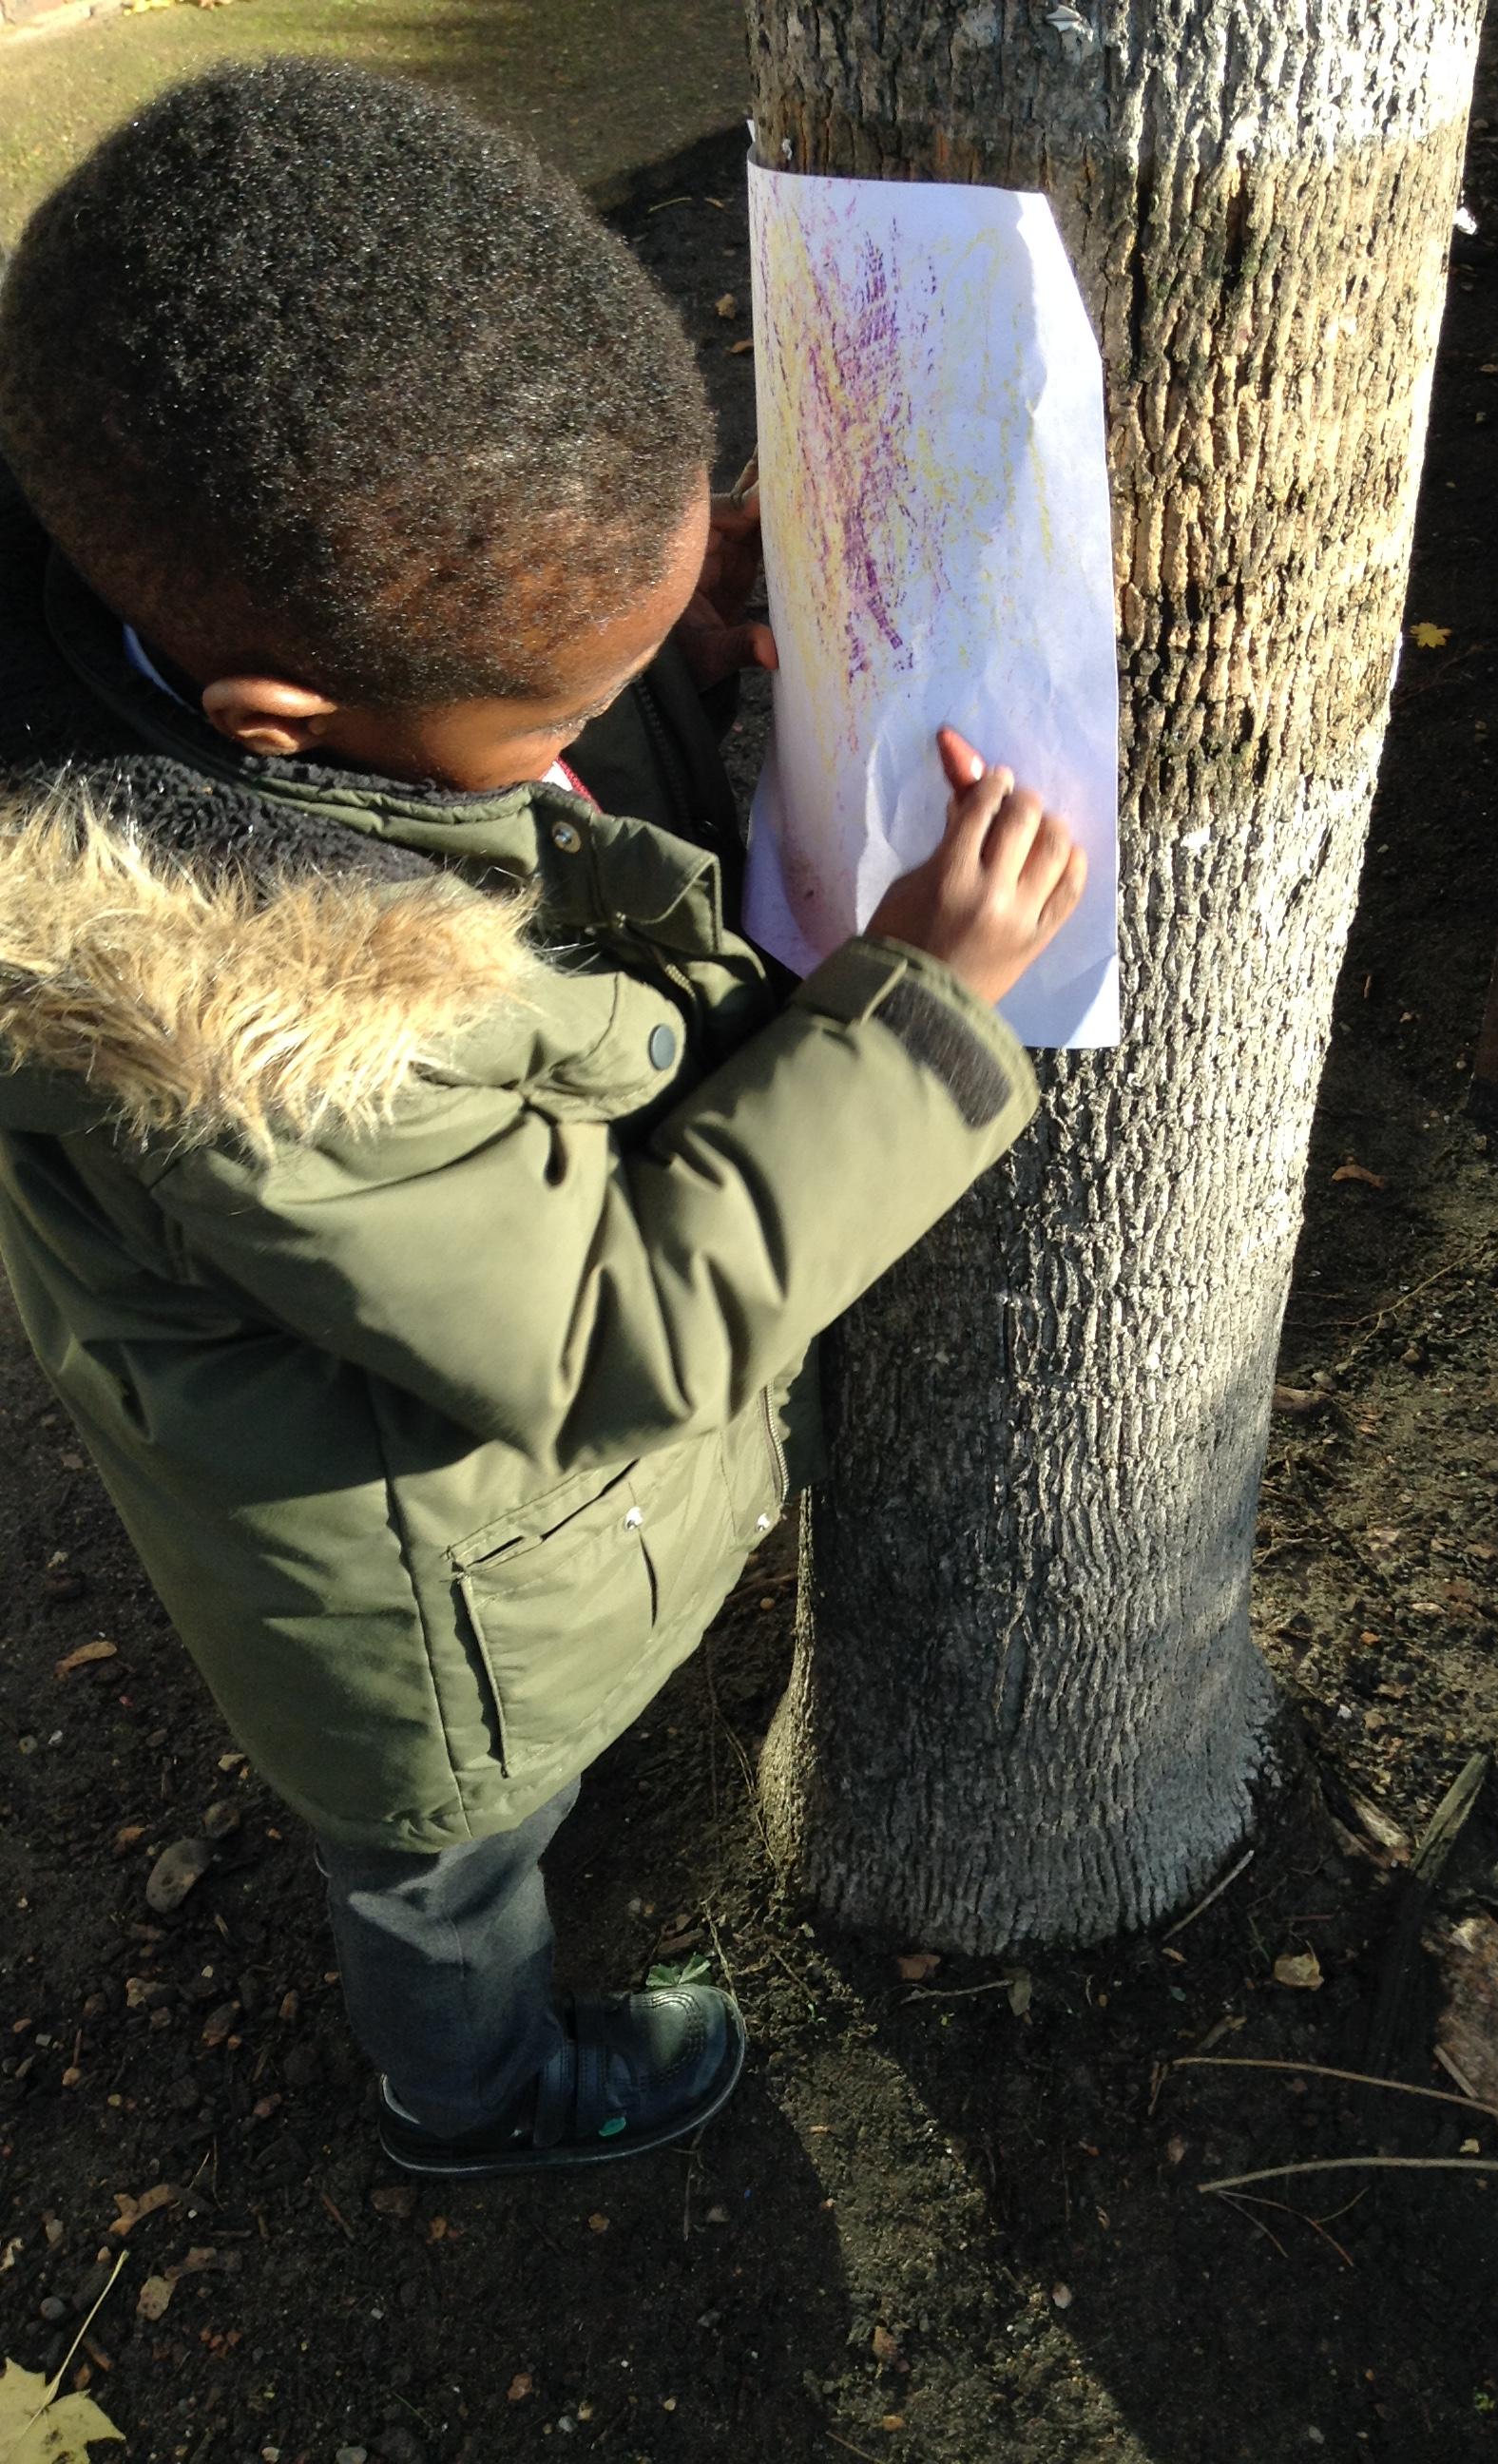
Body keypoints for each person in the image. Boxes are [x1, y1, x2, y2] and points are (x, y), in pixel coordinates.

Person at [0, 60, 1085, 2178]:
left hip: (450, 1489)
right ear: (280, 728)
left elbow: (500, 769)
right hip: (414, 1630)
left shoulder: (258, 587)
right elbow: (610, 1329)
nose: (611, 709)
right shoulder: (260, 1043)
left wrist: (664, 643)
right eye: (574, 702)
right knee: (441, 1861)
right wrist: (924, 1015)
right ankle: (468, 2090)